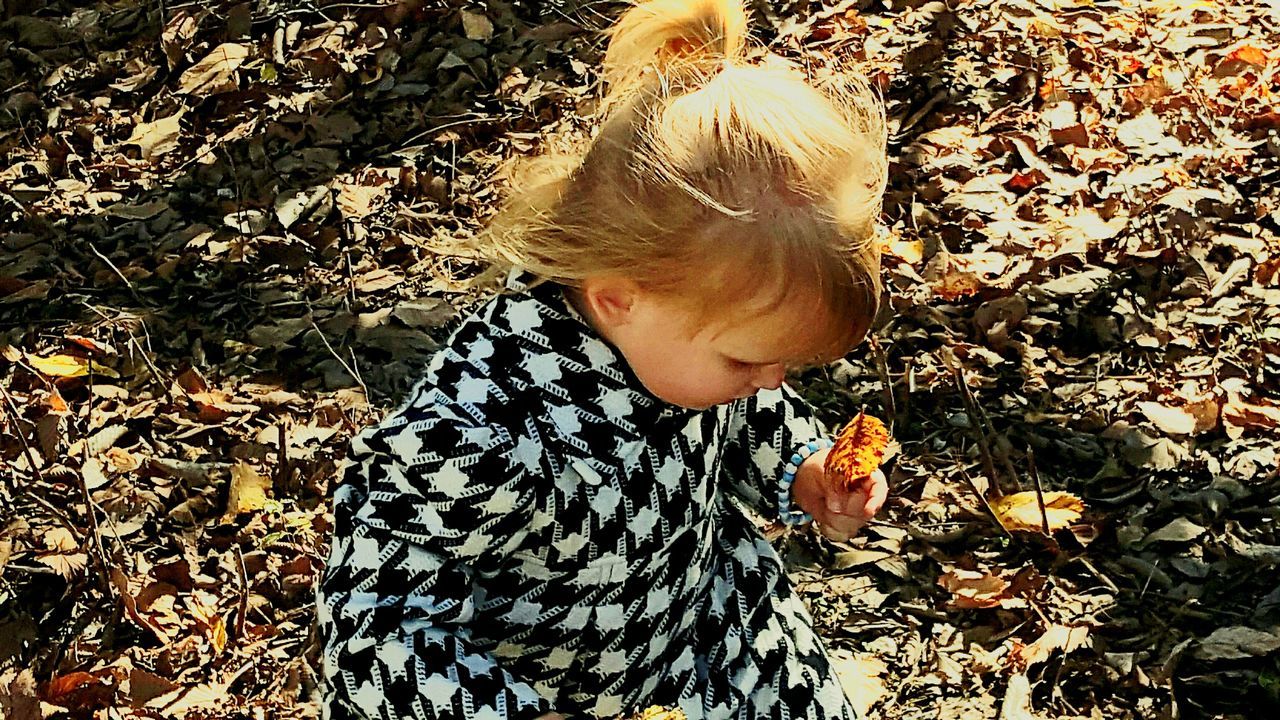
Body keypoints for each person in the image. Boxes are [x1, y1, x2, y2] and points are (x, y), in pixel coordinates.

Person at [316, 0, 891, 717]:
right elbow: (379, 618)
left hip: (709, 639)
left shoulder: (686, 343)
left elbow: (745, 413)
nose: (768, 383)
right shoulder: (483, 430)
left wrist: (803, 469)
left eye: (784, 363)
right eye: (749, 361)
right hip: (543, 693)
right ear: (620, 297)